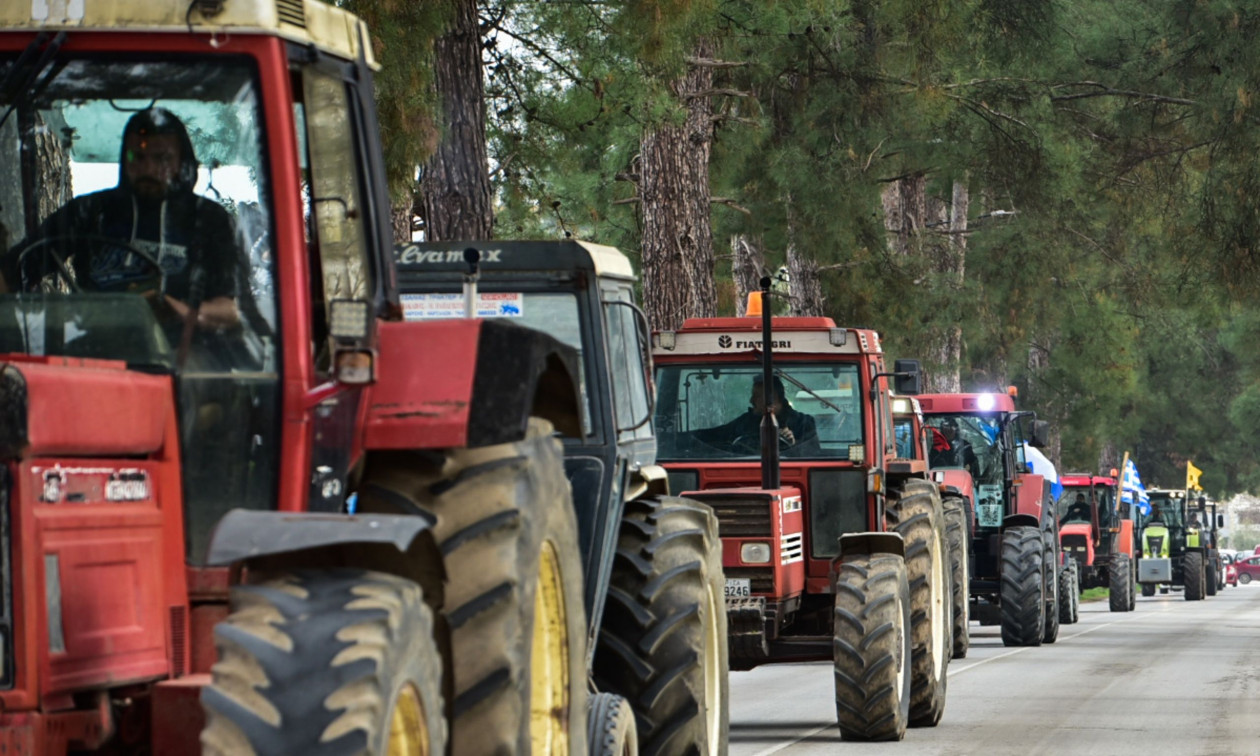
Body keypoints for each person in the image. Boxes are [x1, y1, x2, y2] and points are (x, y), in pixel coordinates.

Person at [1, 107, 240, 344]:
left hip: (185, 363)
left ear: (181, 162)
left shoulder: (208, 219)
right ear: (124, 159)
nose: (148, 169)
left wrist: (179, 311)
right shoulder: (91, 210)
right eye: (137, 157)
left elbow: (233, 311)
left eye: (162, 158)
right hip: (96, 355)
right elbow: (13, 271)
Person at [695, 375, 821, 457]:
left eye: (756, 396)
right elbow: (716, 434)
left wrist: (794, 444)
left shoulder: (804, 423)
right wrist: (685, 437)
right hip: (741, 474)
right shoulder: (745, 422)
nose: (751, 400)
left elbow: (814, 457)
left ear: (772, 399)